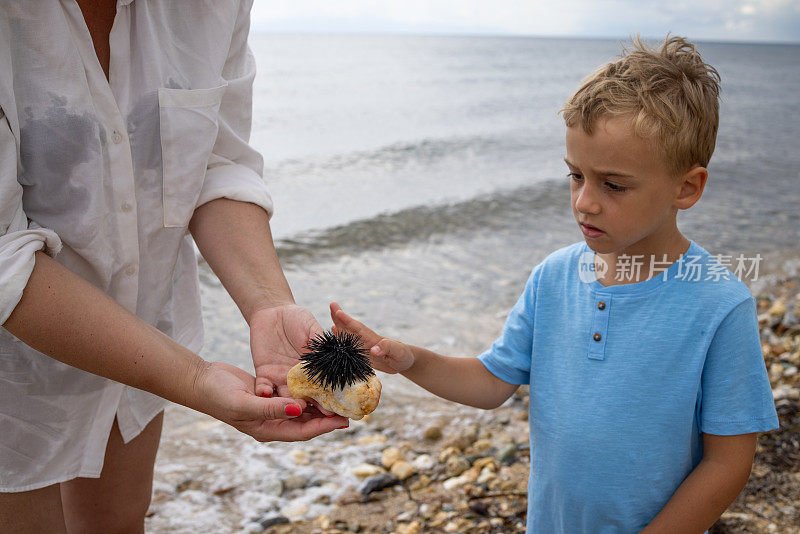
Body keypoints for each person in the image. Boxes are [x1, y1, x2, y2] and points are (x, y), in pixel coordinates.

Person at [330, 35, 779, 533]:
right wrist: (409, 360)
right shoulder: (554, 277)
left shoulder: (718, 303)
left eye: (613, 184)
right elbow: (492, 382)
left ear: (686, 187)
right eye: (575, 176)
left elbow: (728, 462)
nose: (584, 202)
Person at [0, 2, 347, 532]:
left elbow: (215, 159)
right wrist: (192, 377)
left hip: (145, 326)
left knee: (117, 522)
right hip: (9, 367)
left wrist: (271, 304)